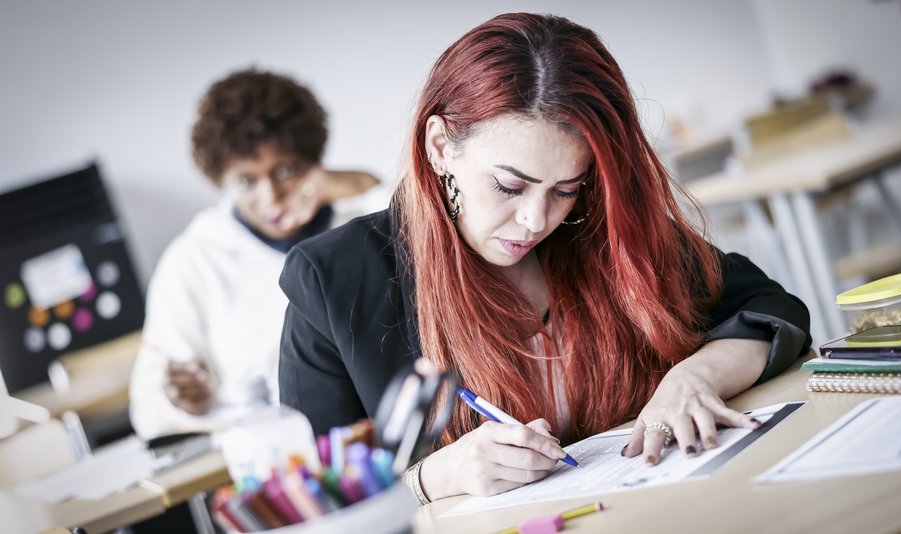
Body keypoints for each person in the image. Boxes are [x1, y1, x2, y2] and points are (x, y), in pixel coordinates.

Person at [278, 13, 811, 502]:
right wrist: (436, 477)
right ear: (440, 146)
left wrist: (696, 377)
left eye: (566, 188)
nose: (538, 221)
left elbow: (768, 310)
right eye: (510, 186)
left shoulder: (596, 226)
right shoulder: (335, 279)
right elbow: (310, 494)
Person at [129, 68, 379, 439]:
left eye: (285, 170)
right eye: (247, 180)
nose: (270, 197)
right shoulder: (193, 261)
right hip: (277, 458)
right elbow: (146, 408)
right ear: (222, 179)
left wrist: (363, 182)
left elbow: (430, 231)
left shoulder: (362, 219)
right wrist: (177, 395)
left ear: (312, 161)